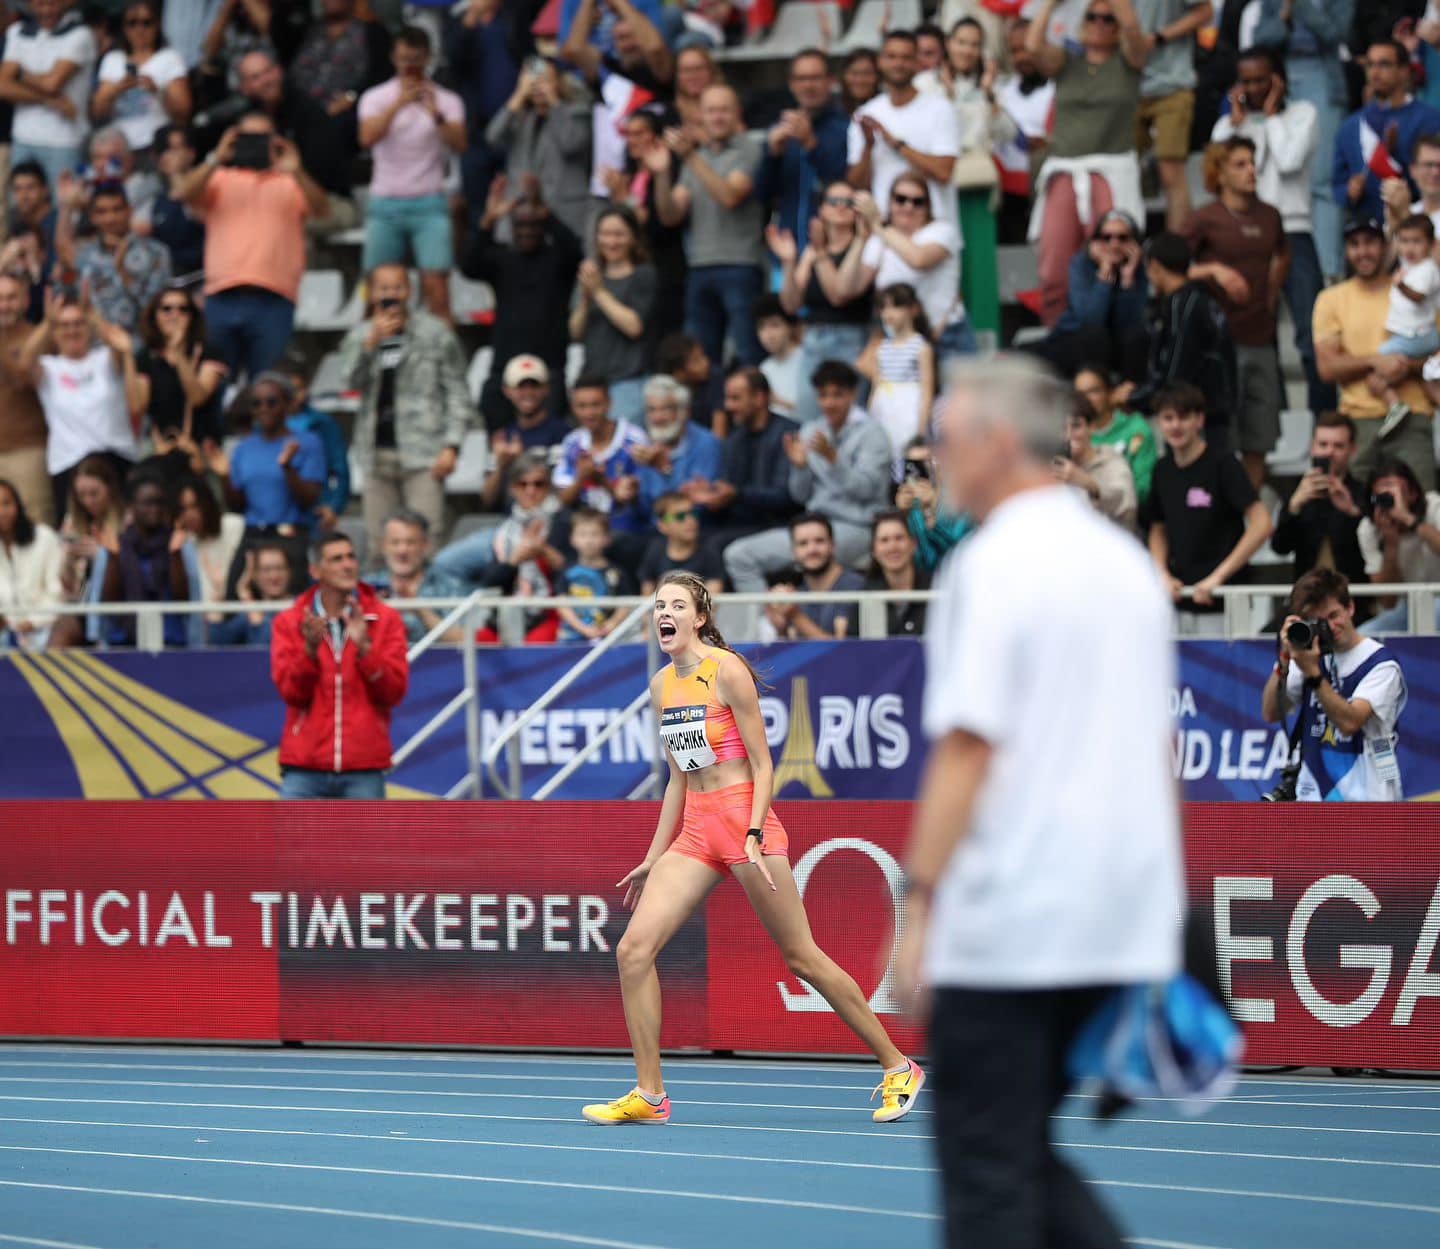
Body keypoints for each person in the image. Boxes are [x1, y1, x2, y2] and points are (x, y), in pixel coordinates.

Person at [899, 354, 1181, 1249]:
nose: (934, 457)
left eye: (944, 438)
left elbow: (968, 748)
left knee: (987, 1173)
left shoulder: (991, 566)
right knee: (1015, 1152)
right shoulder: (1124, 563)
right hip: (1118, 919)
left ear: (994, 440)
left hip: (1017, 921)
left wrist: (918, 907)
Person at [582, 569, 923, 1124]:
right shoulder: (661, 685)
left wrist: (756, 828)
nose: (663, 613)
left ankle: (897, 1065)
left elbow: (764, 764)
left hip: (745, 819)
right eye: (657, 605)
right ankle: (650, 1094)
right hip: (696, 828)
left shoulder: (728, 672)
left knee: (801, 957)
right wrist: (652, 855)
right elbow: (677, 779)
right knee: (633, 951)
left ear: (699, 618)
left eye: (675, 604)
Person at [1213, 48, 1331, 414]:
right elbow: (1219, 177)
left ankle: (1322, 425)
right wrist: (1237, 126)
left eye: (1260, 79)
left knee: (1311, 337)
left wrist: (1269, 118)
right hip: (1246, 237)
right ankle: (1269, 427)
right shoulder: (1229, 126)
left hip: (1292, 231)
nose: (1253, 87)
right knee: (1254, 338)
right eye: (1245, 81)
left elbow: (1290, 161)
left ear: (1278, 80)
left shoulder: (1302, 115)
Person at [175, 112, 329, 383]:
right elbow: (183, 193)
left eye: (263, 138)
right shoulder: (220, 177)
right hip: (221, 297)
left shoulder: (290, 181)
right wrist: (216, 157)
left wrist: (297, 171)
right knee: (215, 387)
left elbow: (322, 210)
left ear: (276, 141)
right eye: (248, 138)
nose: (256, 144)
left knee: (269, 387)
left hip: (274, 299)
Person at [335, 264, 474, 562]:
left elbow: (459, 393)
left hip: (425, 453)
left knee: (426, 541)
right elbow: (347, 384)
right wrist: (368, 345)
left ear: (409, 291)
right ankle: (381, 608)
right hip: (376, 454)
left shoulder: (436, 333)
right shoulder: (360, 335)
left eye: (397, 287)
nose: (391, 294)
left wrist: (452, 445)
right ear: (372, 293)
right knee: (379, 544)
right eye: (383, 288)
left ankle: (423, 607)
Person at [1025, 0, 1148, 326]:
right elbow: (1033, 46)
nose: (1100, 23)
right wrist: (1051, 4)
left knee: (1116, 254)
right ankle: (1059, 332)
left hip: (1112, 170)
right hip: (1066, 169)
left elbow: (1137, 40)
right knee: (1053, 265)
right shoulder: (1068, 61)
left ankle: (1115, 334)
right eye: (1092, 16)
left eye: (1108, 19)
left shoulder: (1129, 60)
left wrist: (1122, 9)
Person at [724, 361, 892, 594]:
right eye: (823, 395)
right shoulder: (811, 430)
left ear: (853, 394)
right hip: (813, 523)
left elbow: (867, 490)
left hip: (857, 528)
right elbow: (799, 495)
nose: (829, 403)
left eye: (837, 395)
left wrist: (834, 460)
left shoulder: (873, 434)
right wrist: (800, 467)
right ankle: (769, 625)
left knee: (811, 548)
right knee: (738, 555)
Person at [271, 530, 409, 799]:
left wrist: (366, 649)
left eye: (351, 557)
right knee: (290, 842)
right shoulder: (290, 622)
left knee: (365, 844)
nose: (347, 564)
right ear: (315, 570)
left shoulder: (385, 619)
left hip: (364, 767)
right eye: (336, 559)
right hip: (304, 766)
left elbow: (394, 693)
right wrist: (309, 651)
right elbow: (292, 694)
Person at [1183, 136, 1289, 487]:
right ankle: (1222, 522)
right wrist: (1213, 271)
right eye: (1239, 164)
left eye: (1252, 162)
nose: (1250, 171)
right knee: (1220, 440)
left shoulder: (1271, 215)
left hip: (1261, 338)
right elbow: (1167, 268)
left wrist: (1272, 292)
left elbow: (1283, 253)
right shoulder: (1204, 218)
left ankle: (1250, 522)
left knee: (1259, 441)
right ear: (1220, 173)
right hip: (1217, 346)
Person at [1262, 568, 1407, 800]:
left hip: (1370, 796)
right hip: (1314, 795)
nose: (1329, 627)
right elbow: (1270, 712)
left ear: (1350, 608)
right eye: (1319, 621)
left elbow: (1350, 723)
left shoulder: (1381, 664)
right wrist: (1284, 661)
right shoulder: (1311, 655)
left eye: (1333, 616)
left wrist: (1314, 674)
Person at [1314, 216, 1436, 490]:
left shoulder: (1417, 290)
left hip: (1413, 417)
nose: (1363, 252)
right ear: (1346, 251)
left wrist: (1407, 366)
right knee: (1356, 516)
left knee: (1424, 507)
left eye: (1370, 243)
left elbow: (1436, 351)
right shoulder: (1331, 299)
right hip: (1357, 423)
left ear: (1386, 247)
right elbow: (1326, 368)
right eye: (1354, 244)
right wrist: (1374, 361)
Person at [1146, 381, 1274, 635]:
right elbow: (1157, 528)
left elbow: (1262, 524)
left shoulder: (1223, 464)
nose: (1175, 425)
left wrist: (1219, 577)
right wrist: (1161, 573)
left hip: (1224, 600)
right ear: (1159, 423)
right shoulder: (1162, 469)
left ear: (1199, 420)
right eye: (1168, 418)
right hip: (1179, 600)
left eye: (1183, 417)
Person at [652, 84, 766, 367]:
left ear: (737, 113)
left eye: (724, 110)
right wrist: (662, 174)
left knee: (748, 352)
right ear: (700, 115)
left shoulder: (749, 148)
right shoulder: (697, 158)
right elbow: (671, 214)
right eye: (711, 111)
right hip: (700, 265)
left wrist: (689, 156)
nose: (717, 117)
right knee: (699, 359)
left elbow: (730, 196)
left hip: (741, 263)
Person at [358, 27, 466, 322]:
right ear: (394, 58)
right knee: (378, 290)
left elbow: (461, 144)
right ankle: (372, 356)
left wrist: (435, 114)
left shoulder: (447, 100)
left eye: (416, 60)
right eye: (405, 59)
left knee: (437, 288)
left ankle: (446, 364)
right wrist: (399, 104)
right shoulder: (376, 97)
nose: (410, 66)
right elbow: (366, 138)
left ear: (428, 58)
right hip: (385, 203)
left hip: (429, 202)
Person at [916, 18, 1014, 335]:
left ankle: (985, 342)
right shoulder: (923, 85)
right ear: (948, 43)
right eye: (961, 42)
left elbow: (1007, 134)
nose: (968, 50)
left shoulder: (992, 86)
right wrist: (947, 97)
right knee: (941, 269)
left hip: (976, 183)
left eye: (975, 44)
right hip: (936, 184)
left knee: (980, 269)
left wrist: (987, 95)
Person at [463, 178, 582, 425]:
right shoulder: (503, 258)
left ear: (544, 228)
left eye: (534, 225)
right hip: (505, 366)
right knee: (493, 420)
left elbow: (575, 251)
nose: (527, 231)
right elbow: (469, 265)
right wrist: (488, 221)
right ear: (512, 228)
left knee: (551, 432)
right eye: (520, 226)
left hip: (549, 366)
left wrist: (546, 213)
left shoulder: (557, 260)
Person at [19, 288, 143, 523]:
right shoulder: (48, 367)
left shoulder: (107, 357)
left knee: (124, 528)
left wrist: (94, 317)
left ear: (89, 328)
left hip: (116, 455)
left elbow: (121, 345)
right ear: (54, 332)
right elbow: (24, 362)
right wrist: (47, 322)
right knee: (77, 532)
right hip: (69, 461)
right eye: (63, 325)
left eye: (78, 323)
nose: (72, 330)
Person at [770, 182, 877, 426]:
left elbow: (839, 293)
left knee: (852, 422)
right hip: (813, 339)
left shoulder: (867, 245)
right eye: (834, 202)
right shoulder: (812, 249)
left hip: (852, 340)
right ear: (822, 210)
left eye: (849, 202)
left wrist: (822, 254)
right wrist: (788, 263)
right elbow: (790, 305)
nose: (841, 208)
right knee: (807, 421)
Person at [853, 173, 974, 365]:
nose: (908, 207)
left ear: (928, 207)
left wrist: (879, 224)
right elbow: (854, 287)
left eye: (918, 202)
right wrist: (860, 239)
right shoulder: (879, 238)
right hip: (899, 343)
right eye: (900, 199)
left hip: (947, 337)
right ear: (890, 202)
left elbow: (919, 259)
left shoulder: (942, 231)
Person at [846, 29, 961, 230]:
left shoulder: (940, 108)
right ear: (880, 62)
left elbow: (944, 172)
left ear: (917, 63)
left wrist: (897, 144)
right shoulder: (866, 114)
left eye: (906, 57)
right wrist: (869, 146)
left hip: (934, 232)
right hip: (885, 231)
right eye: (891, 56)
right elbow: (856, 185)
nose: (898, 64)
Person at [1132, 231, 1237, 446]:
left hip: (1194, 417)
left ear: (1155, 267)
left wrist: (1136, 397)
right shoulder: (1206, 298)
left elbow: (1176, 369)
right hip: (1216, 412)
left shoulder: (1181, 305)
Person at [214, 373, 325, 576]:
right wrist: (224, 477)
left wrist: (287, 468)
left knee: (291, 604)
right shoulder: (243, 448)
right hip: (253, 535)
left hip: (289, 535)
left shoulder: (307, 442)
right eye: (256, 403)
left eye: (271, 402)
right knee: (234, 595)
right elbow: (236, 506)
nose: (264, 408)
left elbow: (309, 499)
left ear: (287, 405)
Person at [599, 108, 688, 335]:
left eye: (640, 133)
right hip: (635, 268)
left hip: (664, 265)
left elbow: (655, 222)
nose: (633, 140)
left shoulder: (670, 170)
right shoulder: (628, 174)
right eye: (629, 134)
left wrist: (622, 197)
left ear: (656, 135)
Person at [1333, 40, 1440, 229]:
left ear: (1404, 71)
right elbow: (1337, 185)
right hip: (1367, 239)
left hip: (1418, 233)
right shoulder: (1350, 126)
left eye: (1384, 64)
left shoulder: (1430, 119)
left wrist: (1394, 154)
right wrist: (1349, 191)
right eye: (1370, 65)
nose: (1375, 73)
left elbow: (1432, 178)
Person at [488, 55, 592, 243]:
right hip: (522, 217)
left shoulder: (577, 111)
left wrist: (554, 102)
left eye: (544, 80)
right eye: (532, 81)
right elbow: (492, 138)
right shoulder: (520, 115)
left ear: (558, 82)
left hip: (562, 213)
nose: (537, 87)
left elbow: (572, 144)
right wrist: (519, 95)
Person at [697, 367, 799, 555]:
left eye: (735, 398)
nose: (728, 406)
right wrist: (710, 495)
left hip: (778, 526)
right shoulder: (734, 440)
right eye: (727, 399)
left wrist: (737, 495)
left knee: (714, 545)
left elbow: (787, 497)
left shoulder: (789, 435)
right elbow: (727, 489)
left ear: (759, 398)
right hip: (739, 524)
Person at [570, 206, 657, 425]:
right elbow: (575, 332)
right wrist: (585, 299)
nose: (611, 242)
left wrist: (599, 291)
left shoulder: (643, 274)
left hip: (627, 381)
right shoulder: (590, 275)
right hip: (592, 383)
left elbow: (634, 326)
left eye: (619, 234)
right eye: (605, 234)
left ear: (633, 238)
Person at [1041, 210, 1149, 381]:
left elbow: (1129, 324)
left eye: (1123, 238)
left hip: (1112, 343)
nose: (1114, 244)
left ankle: (1129, 398)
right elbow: (1091, 318)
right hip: (1075, 338)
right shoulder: (1082, 264)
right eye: (1107, 237)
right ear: (1096, 242)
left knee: (1137, 336)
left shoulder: (1137, 269)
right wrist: (1104, 276)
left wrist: (1128, 281)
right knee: (1095, 336)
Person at [1134, 0, 1213, 232]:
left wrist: (1158, 37)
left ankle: (1176, 258)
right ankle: (1119, 249)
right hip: (1126, 84)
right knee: (1122, 171)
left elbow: (1205, 11)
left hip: (1173, 84)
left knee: (1172, 174)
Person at [56, 178, 171, 336]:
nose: (110, 218)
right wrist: (63, 273)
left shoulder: (156, 253)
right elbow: (65, 295)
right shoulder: (84, 256)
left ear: (129, 211)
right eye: (101, 212)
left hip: (141, 347)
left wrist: (123, 271)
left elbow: (160, 310)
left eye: (117, 210)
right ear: (92, 217)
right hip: (95, 350)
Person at [0, 0, 96, 190]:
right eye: (40, 4)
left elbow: (52, 83)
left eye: (52, 3)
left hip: (65, 141)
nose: (46, 10)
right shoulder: (17, 31)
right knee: (22, 210)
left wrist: (20, 73)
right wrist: (47, 100)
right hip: (23, 138)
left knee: (64, 208)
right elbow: (3, 86)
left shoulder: (81, 34)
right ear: (30, 5)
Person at [759, 48, 849, 242]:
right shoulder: (781, 128)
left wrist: (810, 144)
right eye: (801, 79)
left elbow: (846, 184)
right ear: (791, 84)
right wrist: (772, 156)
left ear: (831, 82)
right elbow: (762, 195)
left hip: (832, 250)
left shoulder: (846, 128)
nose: (808, 86)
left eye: (816, 78)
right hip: (787, 249)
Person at [552, 374, 650, 548]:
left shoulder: (634, 440)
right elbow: (562, 500)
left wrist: (604, 482)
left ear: (608, 403)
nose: (589, 413)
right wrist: (582, 478)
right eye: (582, 406)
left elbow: (639, 502)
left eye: (595, 405)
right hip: (584, 530)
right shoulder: (571, 442)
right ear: (573, 408)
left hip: (622, 527)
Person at [99, 471, 194, 648]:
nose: (155, 509)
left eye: (160, 503)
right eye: (147, 503)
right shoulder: (119, 544)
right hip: (125, 641)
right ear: (132, 507)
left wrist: (175, 555)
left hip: (169, 640)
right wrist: (113, 558)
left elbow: (184, 599)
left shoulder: (178, 543)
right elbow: (110, 603)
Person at [1271, 411, 1367, 585]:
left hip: (1354, 598)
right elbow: (1280, 548)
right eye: (1323, 444)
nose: (1329, 452)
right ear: (1313, 447)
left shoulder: (1363, 492)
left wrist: (1352, 512)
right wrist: (1294, 507)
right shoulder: (1298, 492)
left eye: (1338, 446)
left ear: (1352, 450)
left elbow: (1375, 551)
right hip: (1306, 600)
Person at [92, 0, 191, 158]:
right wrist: (117, 89)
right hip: (118, 147)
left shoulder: (170, 58)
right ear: (124, 28)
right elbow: (97, 111)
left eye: (147, 23)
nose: (140, 29)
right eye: (132, 23)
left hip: (155, 146)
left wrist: (157, 90)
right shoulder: (112, 59)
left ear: (157, 25)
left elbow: (183, 112)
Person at [134, 287, 228, 448]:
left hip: (202, 447)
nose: (174, 315)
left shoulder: (209, 352)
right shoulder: (145, 357)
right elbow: (138, 406)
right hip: (161, 445)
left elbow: (197, 397)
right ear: (155, 316)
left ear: (192, 316)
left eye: (183, 309)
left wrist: (178, 353)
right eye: (166, 309)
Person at [1358, 457, 1440, 633]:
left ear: (1413, 493)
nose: (1390, 502)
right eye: (1383, 496)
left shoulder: (1433, 506)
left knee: (1433, 614)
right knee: (1365, 634)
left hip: (1438, 596)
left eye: (1397, 494)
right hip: (1407, 606)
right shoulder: (1369, 529)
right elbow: (1388, 601)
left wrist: (1410, 520)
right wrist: (1391, 544)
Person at [858, 283, 936, 464]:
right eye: (883, 307)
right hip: (884, 410)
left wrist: (921, 431)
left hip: (909, 411)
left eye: (895, 306)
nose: (888, 313)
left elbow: (927, 392)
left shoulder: (921, 347)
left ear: (913, 309)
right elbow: (876, 385)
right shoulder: (882, 347)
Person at [368, 508, 469, 645]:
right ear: (384, 546)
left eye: (410, 543)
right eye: (395, 542)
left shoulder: (449, 584)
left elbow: (464, 639)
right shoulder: (367, 587)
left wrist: (420, 610)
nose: (402, 550)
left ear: (424, 545)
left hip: (436, 664)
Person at [632, 375, 724, 526]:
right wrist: (632, 496)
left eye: (665, 409)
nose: (657, 417)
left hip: (694, 532)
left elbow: (695, 509)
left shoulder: (706, 443)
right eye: (652, 410)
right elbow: (645, 511)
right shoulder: (645, 446)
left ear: (685, 411)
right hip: (654, 532)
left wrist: (666, 470)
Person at [1377, 213, 1440, 427]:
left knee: (1376, 367)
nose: (1409, 248)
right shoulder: (1410, 267)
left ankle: (1395, 405)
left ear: (1431, 244)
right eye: (1404, 241)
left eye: (1416, 241)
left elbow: (1418, 296)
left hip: (1417, 336)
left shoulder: (1428, 269)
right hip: (1416, 335)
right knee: (1428, 380)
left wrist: (1400, 285)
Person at [0, 273, 51, 527]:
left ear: (26, 300)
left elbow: (30, 379)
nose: (4, 305)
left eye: (11, 298)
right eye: (0, 298)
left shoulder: (38, 337)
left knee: (36, 526)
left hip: (28, 450)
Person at [1054, 390, 1139, 532]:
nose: (1069, 435)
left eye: (1076, 426)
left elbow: (1127, 504)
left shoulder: (1110, 459)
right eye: (1062, 428)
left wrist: (1089, 484)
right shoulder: (1049, 463)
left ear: (1091, 428)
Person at [1074, 364, 1157, 506]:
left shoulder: (1136, 429)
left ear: (1110, 393)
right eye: (1080, 395)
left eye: (1093, 391)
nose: (1086, 400)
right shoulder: (1071, 434)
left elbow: (1142, 490)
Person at [0, 477, 63, 651]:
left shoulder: (44, 538)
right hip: (6, 635)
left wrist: (33, 622)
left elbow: (57, 592)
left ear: (18, 505)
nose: (1, 511)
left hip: (47, 630)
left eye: (6, 503)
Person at [557, 507, 633, 642]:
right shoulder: (566, 572)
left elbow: (625, 604)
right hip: (571, 639)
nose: (589, 540)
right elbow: (562, 605)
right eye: (582, 534)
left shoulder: (617, 572)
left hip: (609, 639)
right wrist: (583, 629)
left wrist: (611, 625)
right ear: (572, 539)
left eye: (595, 534)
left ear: (607, 538)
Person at [176, 473, 246, 620]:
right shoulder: (184, 542)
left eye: (194, 506)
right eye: (183, 509)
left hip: (236, 616)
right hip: (204, 623)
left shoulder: (233, 525)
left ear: (207, 503)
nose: (189, 515)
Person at [896, 438, 973, 571]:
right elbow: (917, 559)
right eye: (913, 463)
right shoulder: (908, 505)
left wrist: (930, 509)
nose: (921, 469)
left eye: (927, 461)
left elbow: (957, 550)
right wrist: (901, 517)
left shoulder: (962, 501)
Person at [208, 538, 294, 646]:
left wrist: (247, 599)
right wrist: (219, 591)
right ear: (255, 575)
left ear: (289, 572)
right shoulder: (248, 614)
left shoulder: (301, 606)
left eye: (279, 568)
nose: (274, 576)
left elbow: (270, 642)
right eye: (266, 569)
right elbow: (218, 641)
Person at [639, 490, 725, 596]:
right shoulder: (655, 551)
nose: (691, 520)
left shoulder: (709, 551)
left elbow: (711, 604)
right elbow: (646, 600)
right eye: (680, 516)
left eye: (694, 513)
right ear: (662, 525)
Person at [148, 125, 207, 277]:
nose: (169, 155)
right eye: (165, 150)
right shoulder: (159, 199)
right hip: (174, 279)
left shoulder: (207, 187)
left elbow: (196, 210)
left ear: (192, 153)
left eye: (176, 149)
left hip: (204, 275)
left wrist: (175, 172)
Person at [863, 508, 929, 637]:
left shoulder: (936, 589)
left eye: (899, 538)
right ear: (874, 550)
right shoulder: (864, 596)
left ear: (913, 544)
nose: (892, 547)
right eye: (884, 540)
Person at [753, 296, 802, 416]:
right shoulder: (765, 367)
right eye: (761, 327)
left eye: (775, 325)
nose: (768, 335)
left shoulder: (807, 361)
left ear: (791, 327)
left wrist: (777, 401)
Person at [840, 49, 880, 117]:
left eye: (867, 73)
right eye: (854, 73)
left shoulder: (889, 109)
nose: (860, 80)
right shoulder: (829, 112)